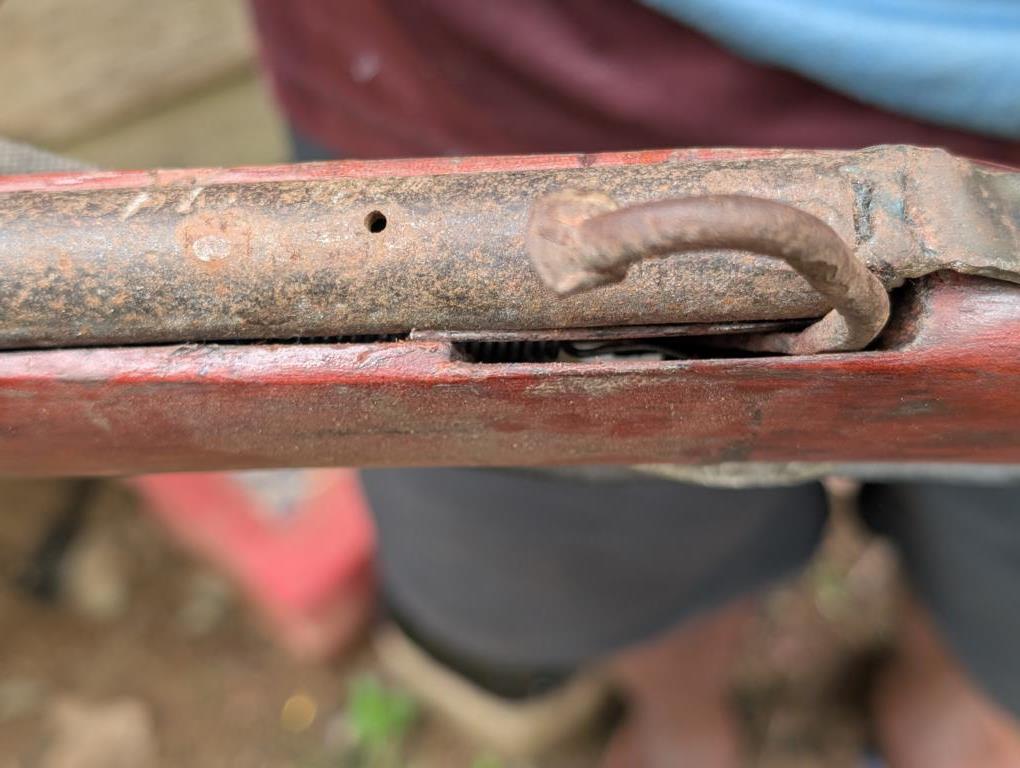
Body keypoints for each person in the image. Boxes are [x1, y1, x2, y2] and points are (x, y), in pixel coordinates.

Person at [250, 2, 1020, 765]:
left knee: (1001, 572)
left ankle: (948, 698)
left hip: (996, 137)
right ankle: (681, 721)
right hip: (491, 93)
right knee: (619, 558)